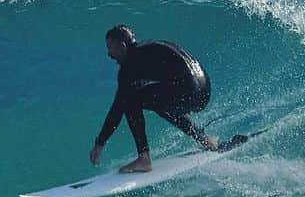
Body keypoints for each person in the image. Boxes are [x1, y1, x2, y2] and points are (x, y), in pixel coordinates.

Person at [89, 25, 219, 173]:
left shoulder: (130, 66)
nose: (109, 54)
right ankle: (205, 140)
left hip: (188, 91)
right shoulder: (148, 49)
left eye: (110, 47)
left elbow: (118, 107)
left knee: (131, 101)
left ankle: (144, 159)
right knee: (160, 104)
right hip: (203, 91)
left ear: (122, 45)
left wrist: (100, 143)